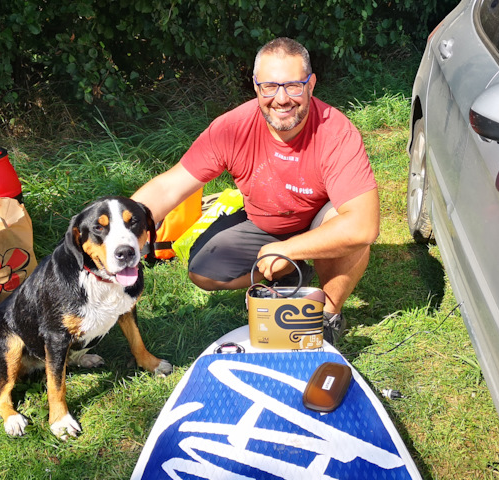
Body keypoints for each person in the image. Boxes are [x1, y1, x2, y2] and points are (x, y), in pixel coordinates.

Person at [131, 37, 379, 344]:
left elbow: (363, 226)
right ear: (256, 86)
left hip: (320, 220)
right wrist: (118, 227)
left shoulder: (335, 131)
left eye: (293, 86)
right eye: (270, 86)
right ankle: (291, 271)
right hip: (263, 222)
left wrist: (288, 248)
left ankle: (326, 316)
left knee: (350, 235)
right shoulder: (232, 127)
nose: (282, 98)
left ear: (311, 84)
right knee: (203, 270)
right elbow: (170, 186)